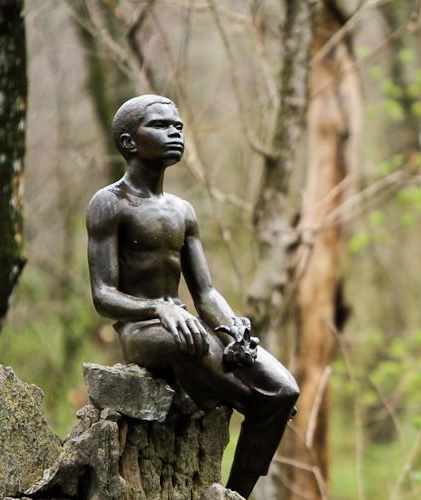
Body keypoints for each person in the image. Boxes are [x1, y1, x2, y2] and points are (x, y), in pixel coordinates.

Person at [86, 94, 298, 498]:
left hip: (188, 323)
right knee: (204, 350)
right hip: (142, 329)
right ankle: (252, 400)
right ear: (130, 142)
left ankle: (236, 492)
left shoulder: (182, 211)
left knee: (285, 388)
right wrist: (157, 307)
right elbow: (102, 295)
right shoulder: (109, 203)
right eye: (161, 126)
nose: (175, 133)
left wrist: (232, 325)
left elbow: (206, 293)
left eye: (178, 127)